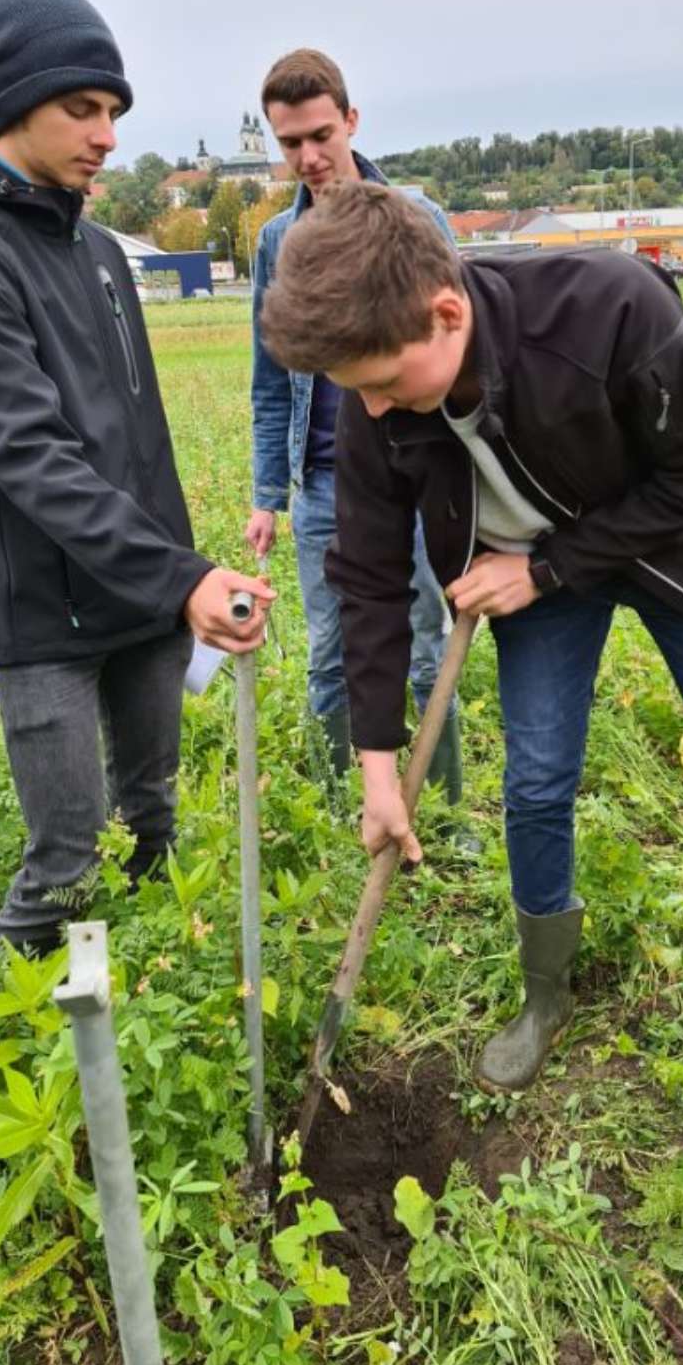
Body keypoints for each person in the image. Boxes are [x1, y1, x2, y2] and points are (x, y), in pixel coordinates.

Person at [259, 179, 683, 1119]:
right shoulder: (371, 398)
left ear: (446, 313)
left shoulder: (612, 308)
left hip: (681, 550)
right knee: (534, 783)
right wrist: (377, 767)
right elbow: (364, 575)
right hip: (531, 568)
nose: (372, 411)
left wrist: (549, 567)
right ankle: (544, 995)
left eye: (386, 384)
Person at [0, 0, 273, 957]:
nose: (107, 133)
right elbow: (31, 456)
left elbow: (139, 441)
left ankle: (145, 993)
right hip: (42, 614)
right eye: (81, 108)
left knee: (153, 822)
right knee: (65, 851)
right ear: (12, 103)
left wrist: (175, 576)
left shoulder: (99, 251)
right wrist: (181, 575)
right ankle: (4, 1017)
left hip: (142, 598)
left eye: (113, 109)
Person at [244, 49, 470, 826]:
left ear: (350, 120)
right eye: (288, 143)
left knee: (424, 644)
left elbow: (461, 347)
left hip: (412, 478)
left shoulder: (416, 216)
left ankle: (440, 814)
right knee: (329, 656)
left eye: (318, 135)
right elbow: (271, 380)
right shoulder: (277, 242)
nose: (307, 157)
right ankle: (338, 813)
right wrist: (267, 494)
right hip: (322, 484)